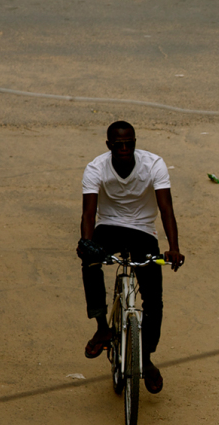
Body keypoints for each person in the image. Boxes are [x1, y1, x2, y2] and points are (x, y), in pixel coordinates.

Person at [77, 121, 184, 395]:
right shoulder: (95, 168)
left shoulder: (154, 164)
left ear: (135, 142)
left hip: (143, 231)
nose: (124, 149)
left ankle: (145, 357)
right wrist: (87, 243)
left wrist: (173, 247)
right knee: (89, 263)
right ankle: (102, 327)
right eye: (118, 145)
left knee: (154, 299)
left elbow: (166, 209)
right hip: (108, 227)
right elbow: (89, 214)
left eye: (129, 143)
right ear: (109, 145)